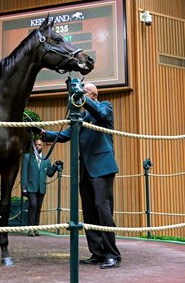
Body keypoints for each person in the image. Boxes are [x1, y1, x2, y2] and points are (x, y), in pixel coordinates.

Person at [39, 82, 122, 269]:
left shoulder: (105, 106)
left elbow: (100, 114)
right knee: (89, 212)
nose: (79, 94)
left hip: (102, 167)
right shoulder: (81, 116)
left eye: (83, 92)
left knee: (103, 209)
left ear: (93, 94)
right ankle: (98, 253)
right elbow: (65, 135)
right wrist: (43, 133)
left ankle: (112, 254)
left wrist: (80, 97)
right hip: (85, 169)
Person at [20, 139, 58, 237]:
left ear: (42, 146)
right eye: (36, 145)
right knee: (33, 205)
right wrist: (23, 187)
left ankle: (36, 228)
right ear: (34, 146)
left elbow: (49, 173)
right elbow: (23, 172)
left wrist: (55, 166)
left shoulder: (46, 159)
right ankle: (30, 229)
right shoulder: (28, 157)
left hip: (41, 187)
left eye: (40, 145)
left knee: (38, 208)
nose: (38, 146)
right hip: (30, 186)